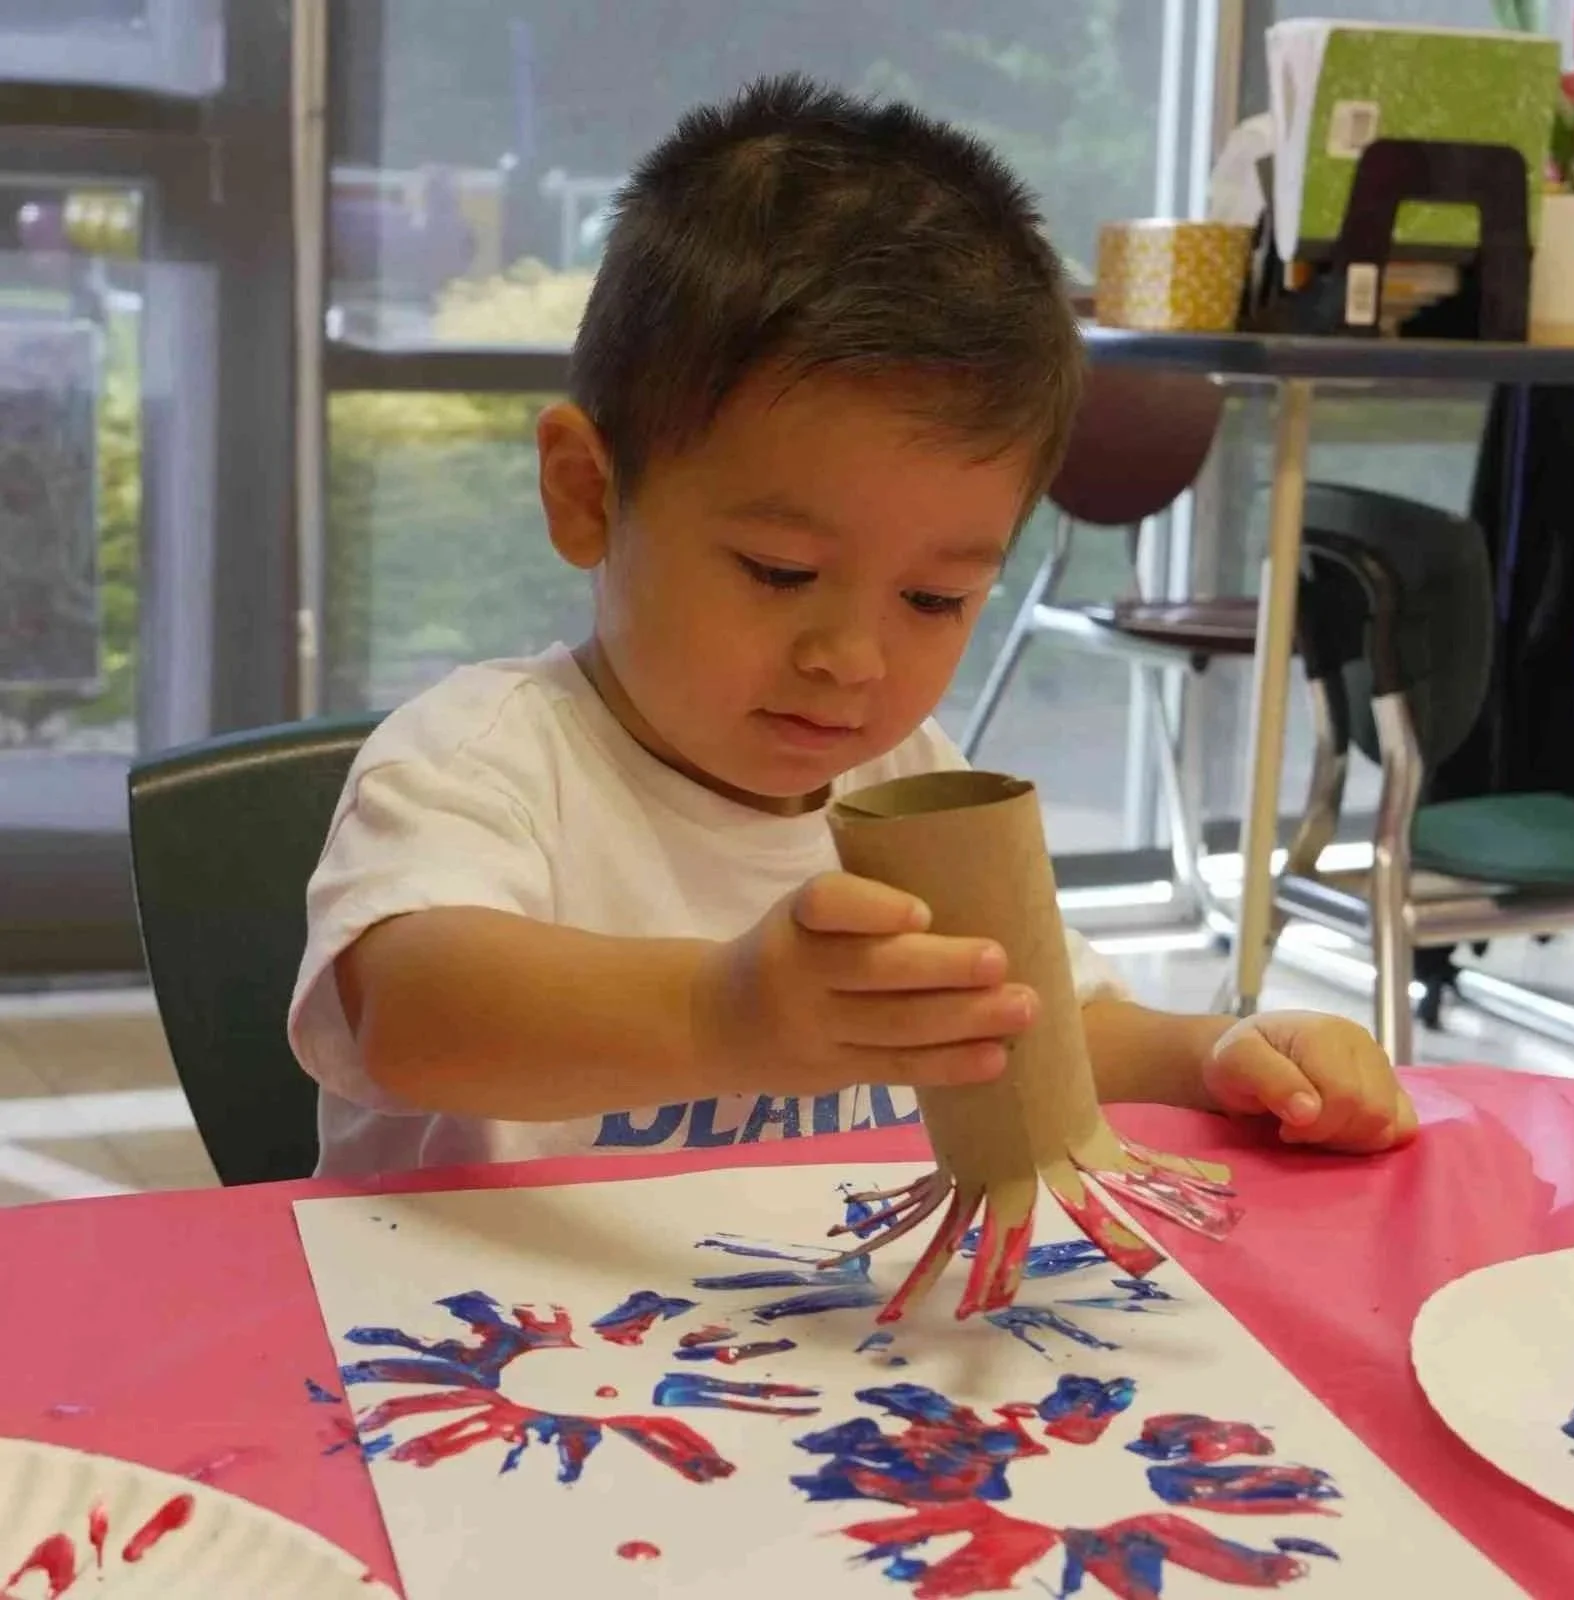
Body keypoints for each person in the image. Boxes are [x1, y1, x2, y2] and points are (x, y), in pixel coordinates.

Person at [289, 75, 1415, 1180]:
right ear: (588, 493)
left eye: (933, 599)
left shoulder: (905, 783)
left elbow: (1027, 1021)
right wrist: (723, 1012)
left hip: (808, 1349)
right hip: (478, 1341)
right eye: (780, 571)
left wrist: (1210, 1052)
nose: (852, 661)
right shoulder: (480, 765)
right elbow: (410, 1008)